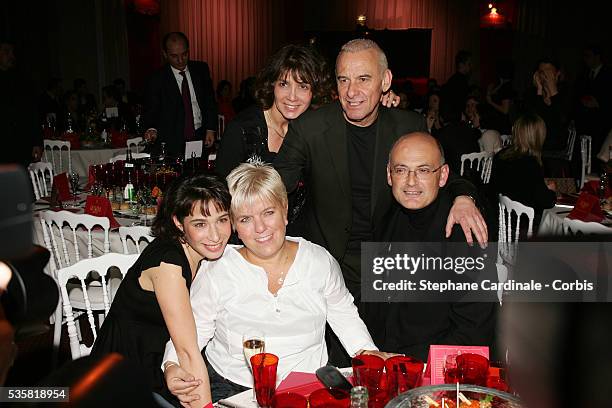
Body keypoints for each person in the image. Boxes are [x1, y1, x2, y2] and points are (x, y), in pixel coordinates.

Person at [274, 39, 487, 298]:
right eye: (343, 80)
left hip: (389, 261)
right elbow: (274, 184)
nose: (351, 92)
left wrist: (465, 197)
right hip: (328, 264)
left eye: (363, 79)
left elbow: (442, 173)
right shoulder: (310, 128)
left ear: (385, 82)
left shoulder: (407, 125)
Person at [162, 163, 390, 404]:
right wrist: (172, 365)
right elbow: (192, 331)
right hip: (234, 388)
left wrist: (368, 352)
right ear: (234, 225)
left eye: (268, 212)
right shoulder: (218, 270)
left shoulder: (318, 261)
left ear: (285, 209)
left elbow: (345, 315)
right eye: (245, 219)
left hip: (310, 385)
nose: (260, 228)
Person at [90, 174, 233, 407]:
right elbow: (187, 351)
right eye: (200, 224)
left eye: (222, 220)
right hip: (126, 372)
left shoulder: (203, 250)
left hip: (161, 358)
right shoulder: (168, 265)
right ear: (178, 222)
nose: (216, 235)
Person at [364, 132, 497, 361]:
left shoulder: (461, 232)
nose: (411, 181)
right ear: (389, 174)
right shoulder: (387, 210)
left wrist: (406, 364)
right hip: (383, 355)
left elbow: (474, 331)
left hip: (434, 369)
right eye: (401, 170)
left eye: (424, 170)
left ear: (443, 175)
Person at [215, 44, 334, 178]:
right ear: (272, 85)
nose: (292, 97)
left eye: (303, 86)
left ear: (314, 92)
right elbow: (220, 190)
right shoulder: (241, 129)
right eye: (284, 84)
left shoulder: (311, 129)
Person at [143, 32, 218, 158]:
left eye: (184, 54)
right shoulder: (157, 78)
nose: (180, 60)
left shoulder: (201, 69)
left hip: (199, 135)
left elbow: (209, 101)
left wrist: (211, 128)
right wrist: (152, 128)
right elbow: (152, 109)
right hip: (171, 139)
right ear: (165, 55)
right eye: (174, 56)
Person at [487, 112, 557, 229]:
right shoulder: (531, 163)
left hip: (499, 219)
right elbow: (546, 201)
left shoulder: (500, 155)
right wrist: (551, 191)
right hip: (522, 224)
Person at [0, 39, 42, 166]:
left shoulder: (22, 80)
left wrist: (37, 142)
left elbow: (32, 112)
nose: (11, 56)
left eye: (12, 52)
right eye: (6, 52)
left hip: (21, 145)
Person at [441, 50, 473, 118]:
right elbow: (460, 104)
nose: (471, 67)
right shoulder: (460, 81)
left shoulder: (454, 79)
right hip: (456, 119)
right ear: (461, 64)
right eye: (469, 64)